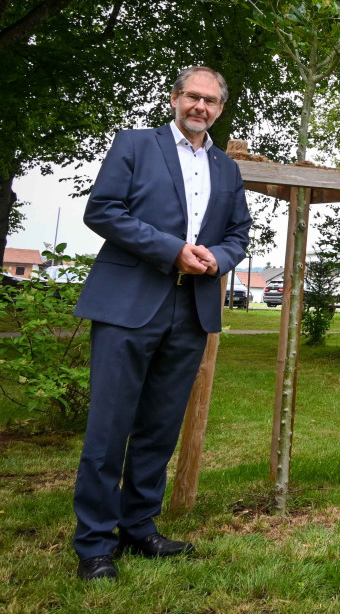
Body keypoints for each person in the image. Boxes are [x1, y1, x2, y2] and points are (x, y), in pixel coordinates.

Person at [71, 67, 252, 581]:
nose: (201, 107)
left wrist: (216, 256)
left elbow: (239, 231)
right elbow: (102, 210)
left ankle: (138, 526)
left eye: (211, 100)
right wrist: (172, 251)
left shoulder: (226, 167)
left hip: (190, 309)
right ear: (175, 99)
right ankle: (94, 544)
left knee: (159, 427)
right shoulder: (133, 145)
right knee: (108, 428)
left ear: (219, 107)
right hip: (128, 304)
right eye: (193, 97)